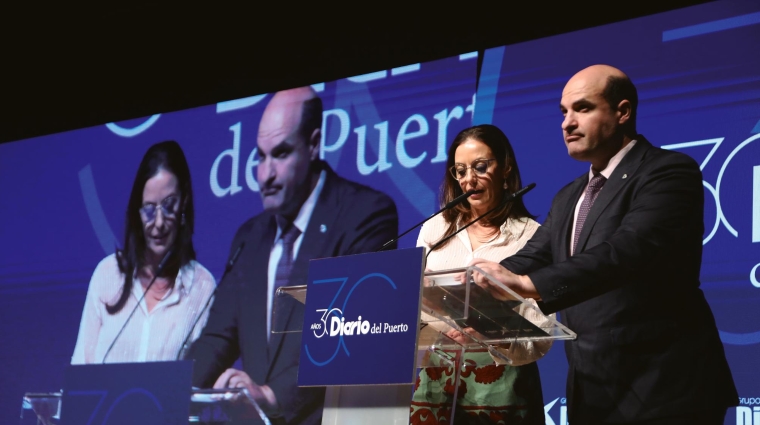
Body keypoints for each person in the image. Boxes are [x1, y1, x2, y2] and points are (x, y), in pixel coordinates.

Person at [469, 65, 738, 424]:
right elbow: (535, 255)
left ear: (623, 111)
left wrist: (529, 287)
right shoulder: (569, 195)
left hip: (665, 389)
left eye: (582, 108)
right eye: (563, 112)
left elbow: (627, 251)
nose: (567, 123)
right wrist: (474, 287)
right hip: (593, 394)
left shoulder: (668, 171)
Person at [186, 87, 399, 425]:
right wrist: (171, 393)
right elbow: (218, 338)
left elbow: (350, 334)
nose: (265, 175)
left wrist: (272, 395)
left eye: (281, 154)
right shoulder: (249, 237)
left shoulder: (364, 215)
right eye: (260, 156)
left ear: (314, 144)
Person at [410, 124, 550, 425]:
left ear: (505, 167)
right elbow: (412, 303)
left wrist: (492, 335)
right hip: (437, 379)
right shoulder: (434, 230)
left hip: (503, 386)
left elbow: (542, 330)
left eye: (480, 167)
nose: (468, 180)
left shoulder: (532, 237)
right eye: (460, 171)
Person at [72, 140, 215, 364]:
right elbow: (80, 370)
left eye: (169, 205)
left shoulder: (202, 286)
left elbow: (200, 384)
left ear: (184, 204)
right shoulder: (107, 275)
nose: (158, 222)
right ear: (137, 212)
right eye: (149, 208)